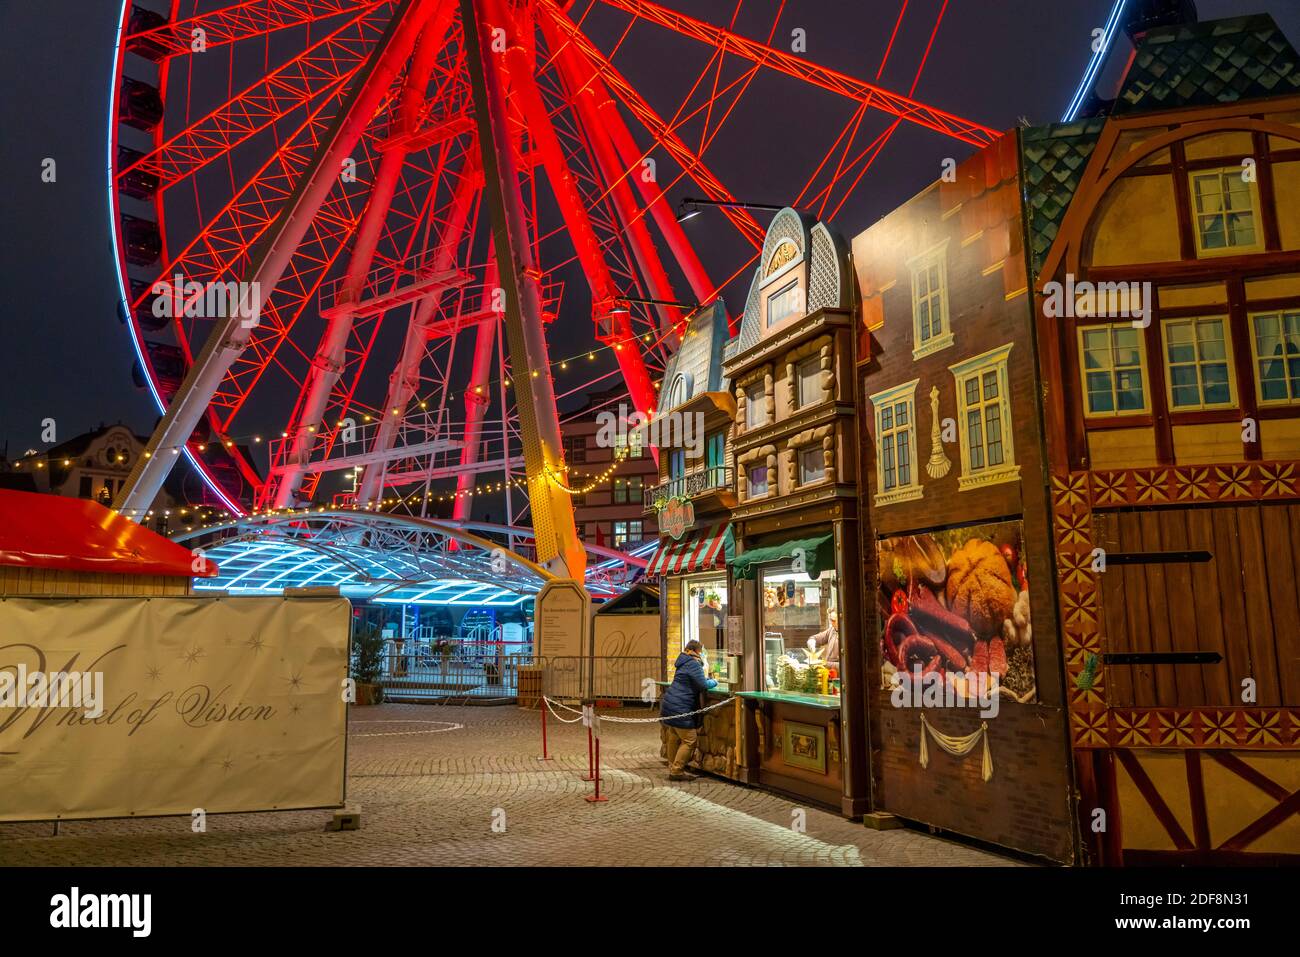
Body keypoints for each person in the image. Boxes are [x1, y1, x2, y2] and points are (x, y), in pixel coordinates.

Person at [660, 639, 718, 780]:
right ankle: (677, 771)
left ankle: (672, 766)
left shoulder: (683, 662)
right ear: (697, 651)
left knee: (674, 737)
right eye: (701, 651)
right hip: (681, 706)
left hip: (670, 704)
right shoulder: (693, 664)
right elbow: (703, 684)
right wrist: (715, 681)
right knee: (689, 740)